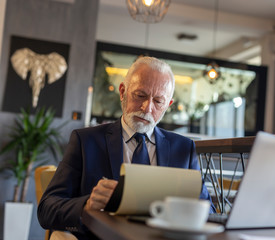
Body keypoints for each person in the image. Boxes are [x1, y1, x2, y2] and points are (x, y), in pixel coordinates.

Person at [37, 56, 216, 239]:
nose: (147, 108)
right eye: (140, 96)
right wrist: (87, 205)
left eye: (158, 101)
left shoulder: (184, 149)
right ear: (123, 92)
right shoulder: (86, 141)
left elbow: (208, 210)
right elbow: (47, 209)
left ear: (168, 105)